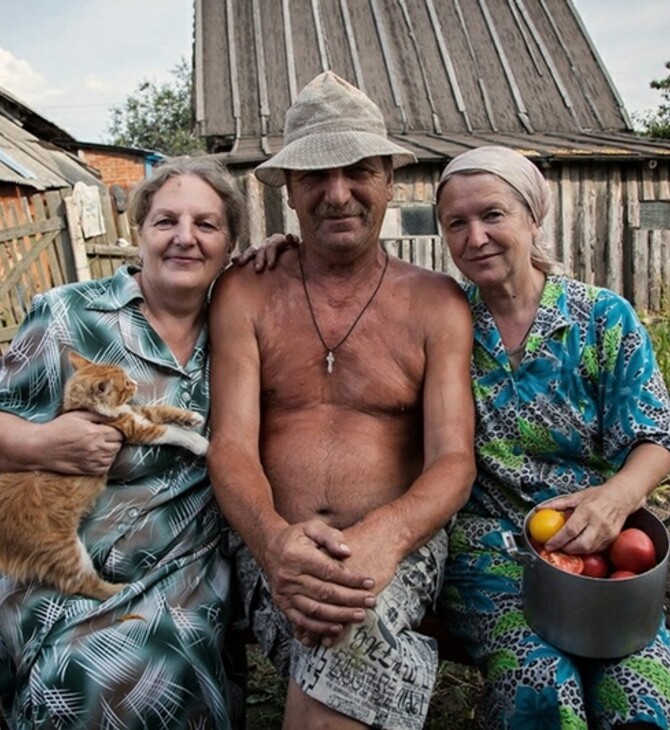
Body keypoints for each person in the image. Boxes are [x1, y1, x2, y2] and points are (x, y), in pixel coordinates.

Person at [207, 71, 476, 730]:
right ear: (289, 191)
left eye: (358, 171)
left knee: (345, 628)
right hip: (269, 546)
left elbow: (453, 461)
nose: (337, 194)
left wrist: (384, 539)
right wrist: (275, 546)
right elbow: (232, 446)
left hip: (401, 546)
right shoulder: (246, 292)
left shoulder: (435, 302)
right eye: (313, 176)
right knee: (336, 629)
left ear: (389, 179)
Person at [0, 155, 246, 729]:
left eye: (206, 225)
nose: (185, 238)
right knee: (72, 674)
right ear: (139, 232)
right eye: (166, 222)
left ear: (232, 244)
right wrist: (43, 445)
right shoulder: (69, 315)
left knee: (121, 679)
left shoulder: (243, 325)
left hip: (182, 563)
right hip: (58, 553)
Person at [435, 145, 670, 729]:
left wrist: (616, 499)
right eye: (456, 223)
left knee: (638, 684)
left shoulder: (600, 319)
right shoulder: (441, 320)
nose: (476, 237)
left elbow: (655, 437)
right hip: (490, 551)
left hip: (599, 542)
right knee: (540, 677)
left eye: (493, 214)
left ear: (532, 218)